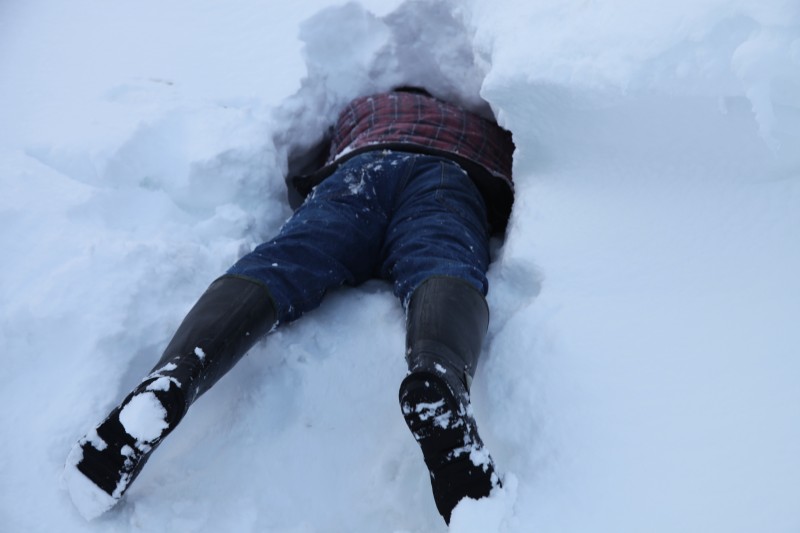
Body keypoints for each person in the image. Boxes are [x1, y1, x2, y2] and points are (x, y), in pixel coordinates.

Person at [65, 86, 515, 525]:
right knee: (441, 259)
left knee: (284, 262)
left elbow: (310, 153)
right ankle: (438, 381)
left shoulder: (363, 109)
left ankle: (175, 376)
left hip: (359, 169)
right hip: (447, 178)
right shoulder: (478, 125)